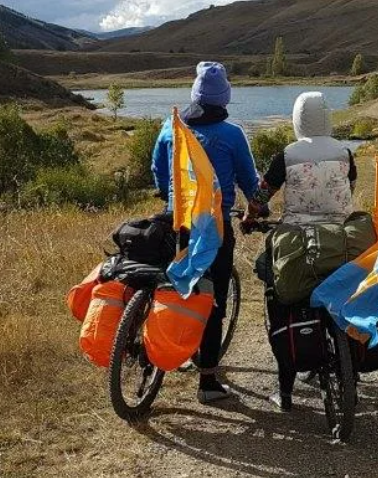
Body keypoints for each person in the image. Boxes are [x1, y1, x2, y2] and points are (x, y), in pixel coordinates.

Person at [152, 61, 258, 404]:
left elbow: (158, 170)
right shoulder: (231, 134)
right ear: (224, 98)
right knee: (213, 299)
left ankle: (170, 349)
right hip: (212, 227)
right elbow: (248, 179)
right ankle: (208, 382)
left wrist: (166, 193)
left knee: (171, 289)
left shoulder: (171, 127)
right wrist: (258, 206)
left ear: (194, 95)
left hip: (173, 222)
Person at [244, 91, 357, 411]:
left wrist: (251, 217)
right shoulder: (346, 152)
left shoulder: (287, 155)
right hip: (340, 239)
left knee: (274, 287)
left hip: (297, 240)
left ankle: (286, 390)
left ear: (297, 119)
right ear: (327, 117)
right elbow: (349, 189)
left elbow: (260, 196)